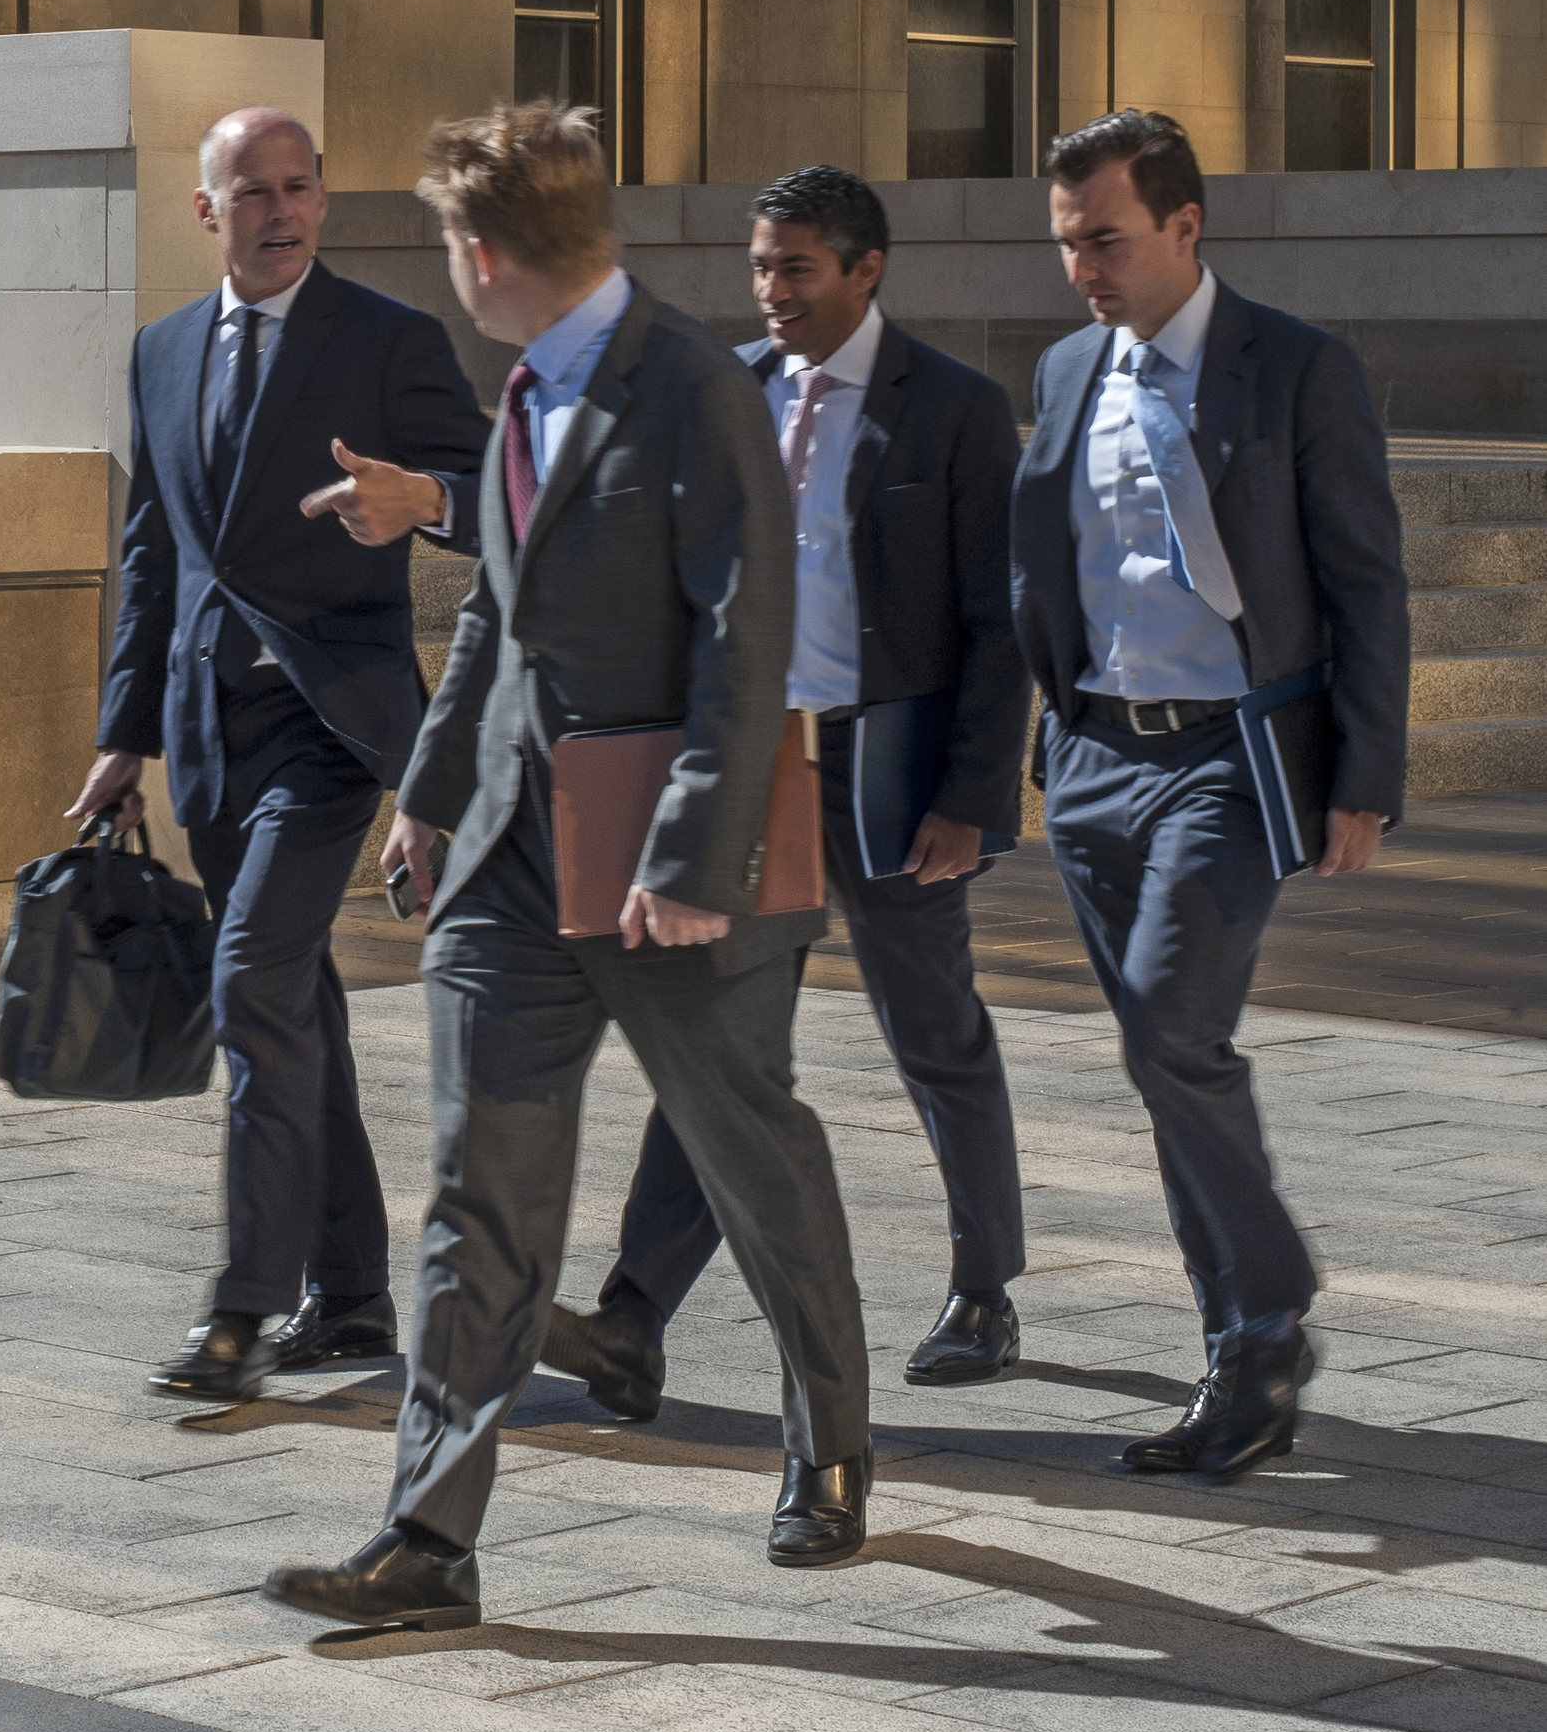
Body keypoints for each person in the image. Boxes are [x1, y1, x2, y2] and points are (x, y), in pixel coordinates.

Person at [265, 100, 873, 1636]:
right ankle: (427, 1541)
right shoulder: (527, 381)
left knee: (754, 1161)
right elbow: (497, 620)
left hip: (670, 866)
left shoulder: (691, 388)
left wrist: (690, 856)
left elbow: (754, 632)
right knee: (480, 1195)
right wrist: (433, 789)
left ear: (483, 256)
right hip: (514, 862)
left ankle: (832, 1446)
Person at [547, 165, 1033, 1428]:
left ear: (865, 270)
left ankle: (984, 1285)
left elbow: (999, 622)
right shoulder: (734, 392)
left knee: (935, 1034)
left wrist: (971, 796)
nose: (769, 290)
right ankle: (633, 1316)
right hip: (751, 767)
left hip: (892, 773)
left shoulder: (957, 412)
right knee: (713, 1049)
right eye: (760, 265)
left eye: (795, 267)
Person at [1013, 107, 1409, 1482]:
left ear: (1187, 226)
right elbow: (1043, 561)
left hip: (1230, 761)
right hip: (1095, 760)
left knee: (1175, 1030)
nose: (1084, 270)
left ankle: (1267, 1312)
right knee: (1159, 1057)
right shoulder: (1068, 371)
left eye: (1106, 239)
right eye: (1067, 244)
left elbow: (1365, 576)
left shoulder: (1297, 369)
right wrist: (1046, 742)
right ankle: (1241, 1341)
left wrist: (1364, 777)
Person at [73, 106, 488, 1405]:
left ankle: (243, 1312)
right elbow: (154, 555)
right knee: (296, 1008)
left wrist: (419, 503)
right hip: (207, 735)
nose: (281, 211)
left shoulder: (390, 342)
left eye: (300, 187)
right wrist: (123, 734)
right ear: (208, 210)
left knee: (254, 980)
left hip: (332, 729)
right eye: (252, 192)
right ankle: (354, 1296)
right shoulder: (162, 353)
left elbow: (502, 502)